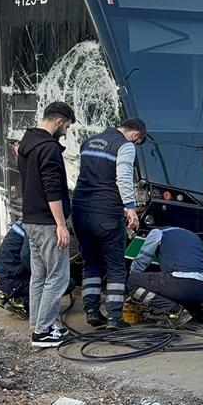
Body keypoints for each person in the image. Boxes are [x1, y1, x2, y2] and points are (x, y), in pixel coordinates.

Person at [73, 118, 147, 330]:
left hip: (80, 210)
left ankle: (91, 310)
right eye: (137, 141)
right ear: (136, 135)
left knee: (91, 262)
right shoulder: (125, 146)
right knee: (115, 266)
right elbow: (123, 178)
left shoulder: (88, 142)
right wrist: (130, 208)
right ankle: (114, 316)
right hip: (106, 211)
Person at [19, 101, 76, 348]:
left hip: (30, 220)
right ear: (59, 121)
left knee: (39, 276)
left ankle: (38, 324)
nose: (66, 131)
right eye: (67, 126)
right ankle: (42, 332)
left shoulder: (27, 142)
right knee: (58, 276)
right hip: (47, 222)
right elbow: (52, 189)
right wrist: (61, 225)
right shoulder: (49, 148)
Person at [126, 227, 203, 328]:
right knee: (171, 284)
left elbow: (142, 260)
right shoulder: (189, 234)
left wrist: (135, 291)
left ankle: (174, 311)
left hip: (186, 285)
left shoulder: (157, 233)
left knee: (132, 282)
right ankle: (199, 311)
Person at [0, 221, 31, 320]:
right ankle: (19, 301)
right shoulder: (32, 226)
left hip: (4, 276)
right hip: (9, 280)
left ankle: (10, 295)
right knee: (57, 283)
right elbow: (26, 256)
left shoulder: (25, 221)